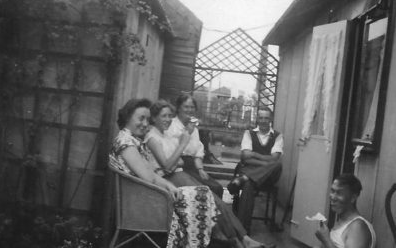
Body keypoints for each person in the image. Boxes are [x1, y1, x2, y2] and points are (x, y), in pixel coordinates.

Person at [144, 100, 275, 248]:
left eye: (169, 116)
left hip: (178, 173)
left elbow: (178, 161)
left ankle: (242, 239)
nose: (168, 119)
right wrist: (182, 144)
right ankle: (240, 241)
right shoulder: (152, 137)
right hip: (170, 179)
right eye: (164, 116)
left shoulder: (164, 134)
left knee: (216, 200)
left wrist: (176, 159)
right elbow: (168, 166)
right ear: (154, 118)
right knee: (213, 201)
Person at [109, 98, 219, 248]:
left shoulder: (132, 139)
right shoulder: (125, 142)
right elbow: (148, 176)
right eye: (141, 118)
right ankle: (194, 243)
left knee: (203, 192)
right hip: (142, 203)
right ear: (128, 117)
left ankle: (196, 242)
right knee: (200, 195)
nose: (145, 124)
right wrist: (168, 188)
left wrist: (170, 186)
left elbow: (150, 174)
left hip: (148, 196)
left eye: (147, 119)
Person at [227, 106, 283, 233]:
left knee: (277, 165)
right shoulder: (249, 134)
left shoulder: (278, 136)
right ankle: (243, 230)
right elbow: (246, 157)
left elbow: (275, 160)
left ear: (271, 119)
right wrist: (266, 161)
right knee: (248, 185)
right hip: (251, 170)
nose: (263, 121)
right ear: (257, 118)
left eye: (266, 118)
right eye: (261, 117)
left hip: (268, 178)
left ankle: (244, 177)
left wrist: (255, 155)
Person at [165, 94, 224, 198]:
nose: (189, 110)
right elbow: (171, 150)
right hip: (178, 165)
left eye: (192, 107)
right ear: (178, 108)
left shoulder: (194, 128)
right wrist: (187, 132)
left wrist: (200, 169)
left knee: (217, 188)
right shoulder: (171, 125)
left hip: (193, 166)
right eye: (186, 107)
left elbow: (197, 152)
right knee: (206, 191)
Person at [314, 174, 376, 248]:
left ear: (353, 197)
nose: (333, 197)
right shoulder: (342, 221)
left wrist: (326, 239)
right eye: (332, 191)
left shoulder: (357, 227)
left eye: (339, 193)